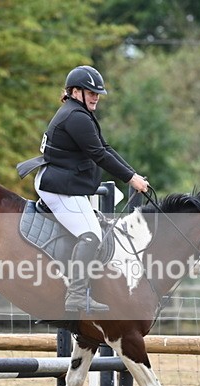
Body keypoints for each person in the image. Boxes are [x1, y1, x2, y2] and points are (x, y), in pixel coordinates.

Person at [34, 65, 149, 313]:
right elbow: (99, 155)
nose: (96, 97)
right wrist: (130, 179)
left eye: (97, 93)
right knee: (91, 235)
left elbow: (105, 148)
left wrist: (133, 174)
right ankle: (76, 295)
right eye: (91, 92)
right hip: (59, 187)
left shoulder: (78, 112)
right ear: (75, 92)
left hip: (62, 182)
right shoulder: (76, 117)